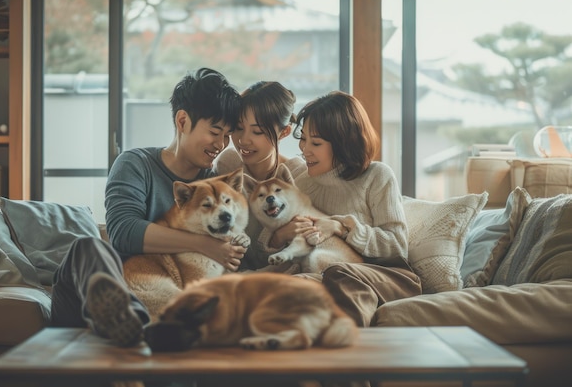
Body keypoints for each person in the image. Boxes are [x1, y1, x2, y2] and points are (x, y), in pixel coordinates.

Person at [50, 67, 247, 346]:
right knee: (86, 247)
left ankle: (138, 326)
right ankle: (127, 318)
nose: (221, 144)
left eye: (227, 135)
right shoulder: (135, 164)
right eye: (215, 131)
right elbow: (124, 232)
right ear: (182, 121)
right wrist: (203, 244)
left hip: (160, 301)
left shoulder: (216, 189)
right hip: (96, 295)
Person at [267, 90, 422, 327]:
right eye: (303, 138)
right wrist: (280, 235)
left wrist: (342, 228)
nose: (304, 149)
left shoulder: (377, 176)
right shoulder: (303, 183)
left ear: (343, 143)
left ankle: (350, 350)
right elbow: (275, 242)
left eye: (316, 143)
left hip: (379, 277)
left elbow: (396, 246)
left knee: (336, 273)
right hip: (319, 276)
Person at [213, 81, 306, 270]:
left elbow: (295, 258)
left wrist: (278, 240)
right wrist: (277, 236)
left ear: (284, 132)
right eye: (238, 128)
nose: (243, 140)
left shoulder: (299, 175)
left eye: (257, 131)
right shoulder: (228, 165)